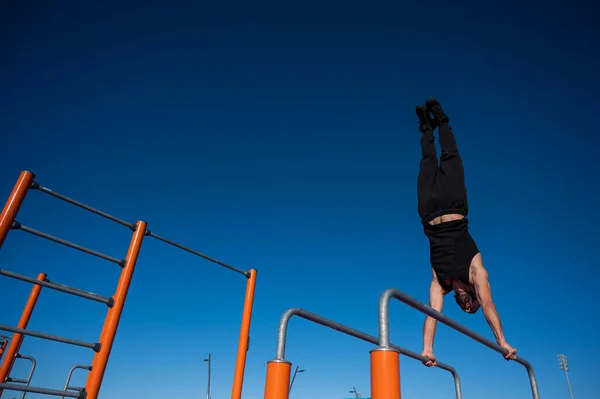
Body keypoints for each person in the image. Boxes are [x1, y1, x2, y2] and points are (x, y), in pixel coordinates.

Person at [415, 98, 517, 367]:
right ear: (474, 297)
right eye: (473, 306)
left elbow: (432, 313)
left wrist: (427, 349)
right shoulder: (476, 272)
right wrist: (501, 342)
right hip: (454, 203)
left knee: (427, 161)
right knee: (450, 157)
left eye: (466, 309)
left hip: (427, 212)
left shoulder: (440, 284)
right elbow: (490, 306)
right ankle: (442, 121)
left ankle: (425, 128)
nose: (467, 306)